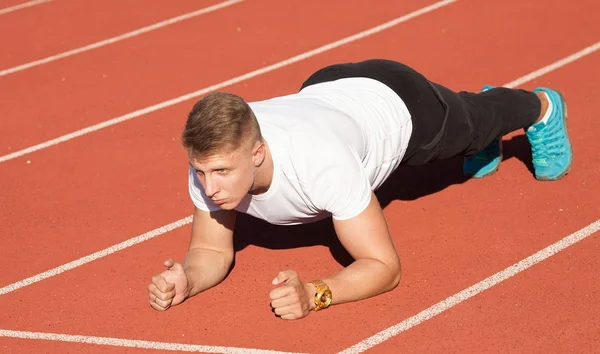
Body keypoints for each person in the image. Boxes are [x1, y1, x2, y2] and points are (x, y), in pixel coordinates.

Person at [147, 59, 573, 320]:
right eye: (200, 172)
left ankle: (541, 106)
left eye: (221, 172)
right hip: (325, 87)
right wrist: (188, 279)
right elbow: (211, 251)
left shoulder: (321, 163)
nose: (209, 187)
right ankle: (483, 140)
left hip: (398, 102)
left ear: (257, 153)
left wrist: (315, 295)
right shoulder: (210, 159)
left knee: (472, 122)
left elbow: (385, 266)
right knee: (473, 135)